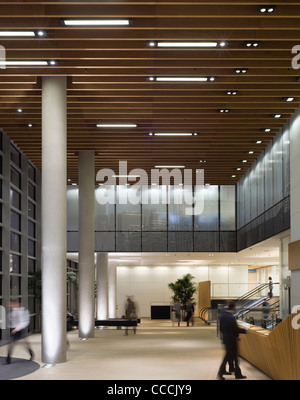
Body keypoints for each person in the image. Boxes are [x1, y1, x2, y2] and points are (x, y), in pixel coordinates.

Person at [218, 300, 247, 380]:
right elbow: (235, 329)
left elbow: (221, 328)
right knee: (232, 357)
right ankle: (232, 373)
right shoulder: (231, 317)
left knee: (230, 357)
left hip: (226, 339)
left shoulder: (223, 315)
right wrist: (245, 330)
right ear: (233, 308)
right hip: (231, 340)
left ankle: (234, 372)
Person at [6, 300, 34, 364]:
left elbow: (24, 321)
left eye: (12, 304)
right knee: (17, 343)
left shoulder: (23, 311)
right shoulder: (12, 311)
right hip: (13, 329)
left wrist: (17, 329)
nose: (10, 305)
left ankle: (8, 359)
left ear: (18, 304)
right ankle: (8, 359)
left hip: (19, 329)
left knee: (13, 344)